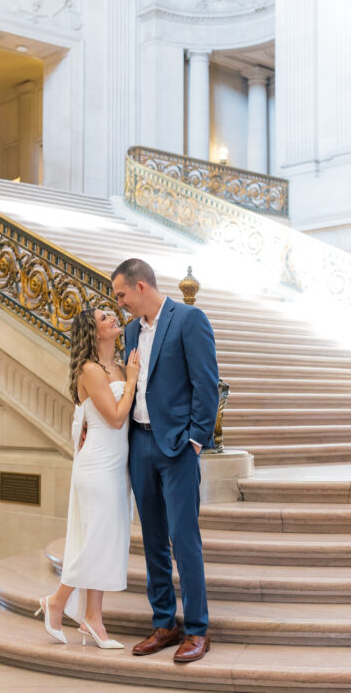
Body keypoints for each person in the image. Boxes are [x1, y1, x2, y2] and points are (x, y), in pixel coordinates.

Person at [111, 258, 219, 665]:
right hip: (139, 444)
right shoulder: (130, 331)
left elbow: (206, 384)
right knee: (153, 538)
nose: (118, 302)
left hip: (177, 448)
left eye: (121, 294)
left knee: (183, 537)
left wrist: (195, 439)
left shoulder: (189, 320)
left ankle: (196, 629)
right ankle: (163, 623)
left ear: (141, 287)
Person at [36, 307, 140, 649]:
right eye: (104, 317)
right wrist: (134, 381)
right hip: (96, 464)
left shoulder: (121, 367)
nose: (113, 317)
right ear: (93, 332)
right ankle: (57, 601)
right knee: (97, 539)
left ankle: (93, 618)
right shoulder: (90, 370)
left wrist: (130, 375)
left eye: (112, 313)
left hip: (116, 464)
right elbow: (114, 418)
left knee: (106, 538)